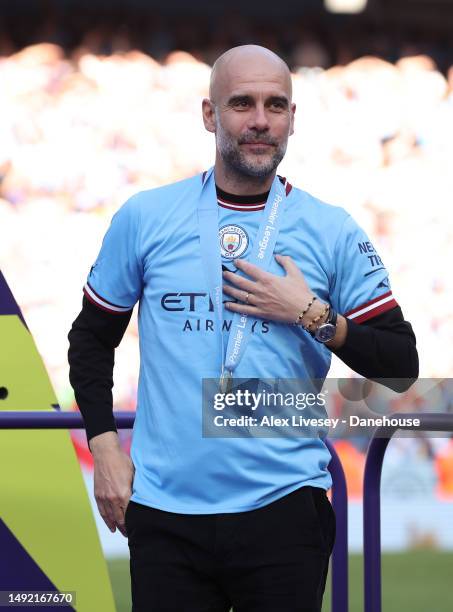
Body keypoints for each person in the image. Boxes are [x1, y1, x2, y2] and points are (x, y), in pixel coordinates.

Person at [68, 45, 418, 612]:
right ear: (210, 115)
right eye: (242, 104)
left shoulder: (331, 229)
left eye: (275, 105)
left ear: (292, 120)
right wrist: (105, 447)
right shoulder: (146, 216)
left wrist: (314, 316)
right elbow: (90, 339)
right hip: (165, 514)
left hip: (284, 511)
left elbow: (401, 365)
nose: (260, 120)